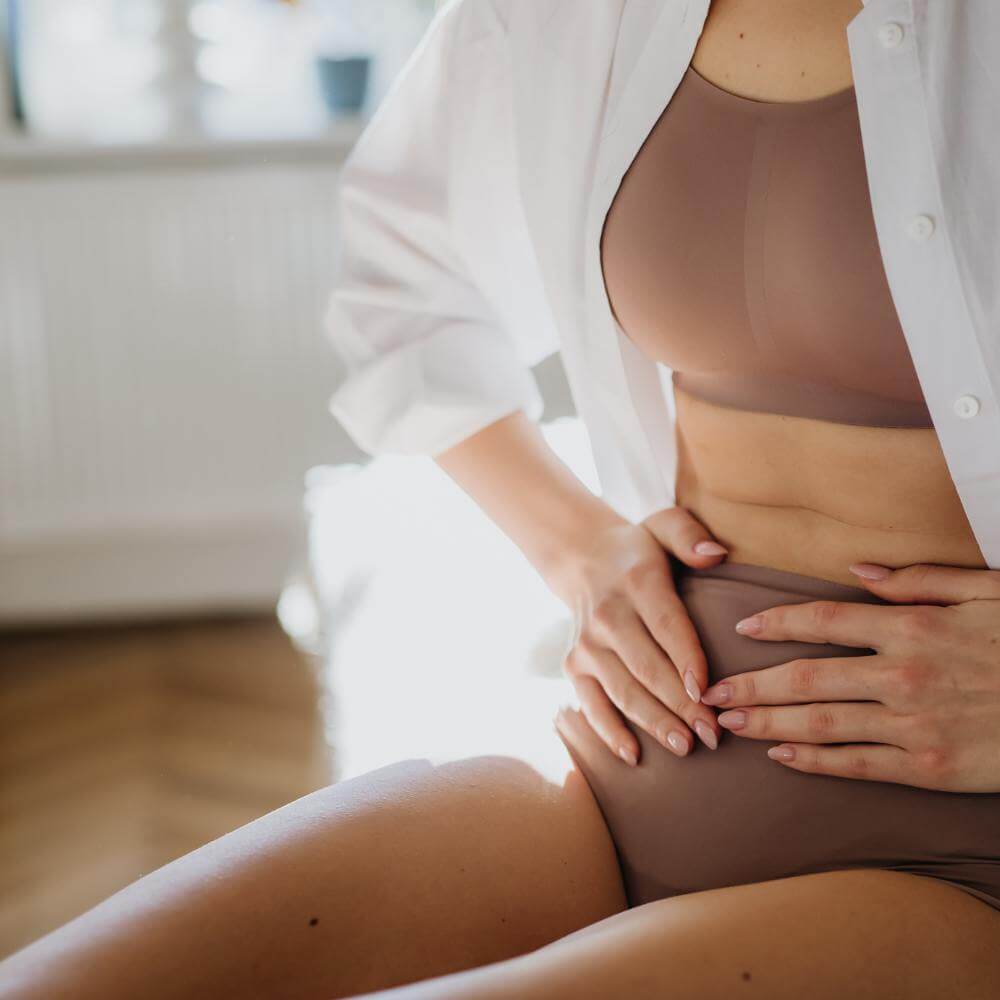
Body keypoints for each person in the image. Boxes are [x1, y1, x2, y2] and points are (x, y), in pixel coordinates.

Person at [3, 1, 999, 997]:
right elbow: (404, 293)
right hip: (630, 760)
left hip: (956, 845)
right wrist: (579, 548)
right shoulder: (573, 14)